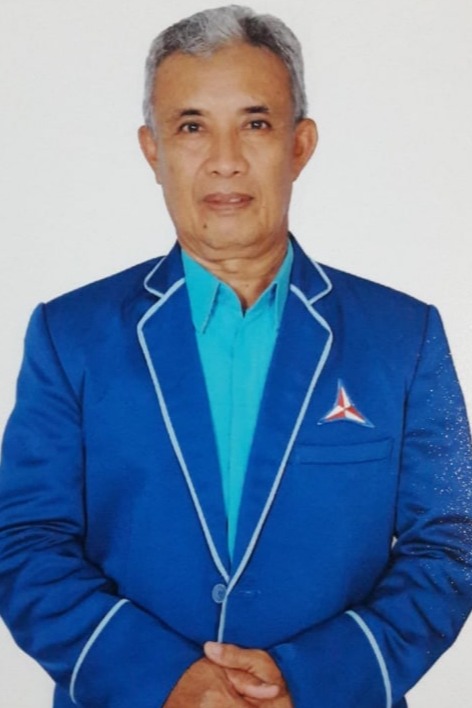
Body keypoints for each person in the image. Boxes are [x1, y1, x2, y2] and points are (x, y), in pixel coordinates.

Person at [0, 5, 471, 707]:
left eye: (256, 124)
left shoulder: (406, 337)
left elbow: (453, 545)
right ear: (152, 149)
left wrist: (308, 680)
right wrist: (166, 679)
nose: (225, 159)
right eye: (191, 127)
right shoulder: (69, 336)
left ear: (300, 144)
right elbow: (25, 540)